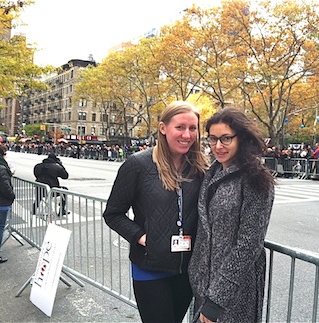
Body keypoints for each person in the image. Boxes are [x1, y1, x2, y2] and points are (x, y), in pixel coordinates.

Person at [103, 101, 209, 323]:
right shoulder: (138, 165)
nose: (187, 135)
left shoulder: (201, 167)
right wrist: (142, 238)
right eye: (180, 127)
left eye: (193, 128)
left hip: (187, 269)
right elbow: (113, 214)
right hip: (150, 267)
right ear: (163, 128)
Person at [188, 107, 275, 323]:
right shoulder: (212, 172)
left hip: (233, 292)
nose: (218, 146)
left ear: (241, 138)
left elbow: (248, 244)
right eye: (213, 139)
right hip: (204, 283)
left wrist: (217, 299)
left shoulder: (255, 179)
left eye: (226, 138)